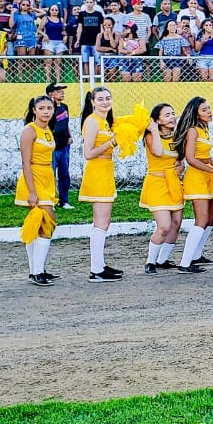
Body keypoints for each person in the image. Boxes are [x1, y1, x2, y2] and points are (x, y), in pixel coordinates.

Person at [79, 87, 123, 282]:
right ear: (93, 102)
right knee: (101, 223)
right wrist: (111, 144)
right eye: (100, 99)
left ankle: (100, 265)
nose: (105, 102)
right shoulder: (92, 122)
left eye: (108, 98)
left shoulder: (105, 121)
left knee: (104, 223)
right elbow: (88, 153)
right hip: (97, 172)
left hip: (106, 171)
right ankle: (96, 270)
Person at [15, 96, 59, 286]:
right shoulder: (29, 131)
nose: (46, 111)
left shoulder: (48, 129)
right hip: (33, 178)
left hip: (47, 177)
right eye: (41, 108)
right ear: (34, 110)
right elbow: (25, 163)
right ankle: (37, 271)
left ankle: (36, 270)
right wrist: (32, 191)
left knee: (38, 226)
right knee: (48, 223)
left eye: (49, 108)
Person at [176, 97, 213, 273]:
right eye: (204, 109)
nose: (209, 111)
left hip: (206, 177)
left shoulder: (205, 129)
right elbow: (191, 159)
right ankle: (185, 263)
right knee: (201, 220)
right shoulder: (193, 131)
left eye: (209, 108)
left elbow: (206, 156)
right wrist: (212, 171)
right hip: (196, 178)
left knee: (212, 218)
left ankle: (196, 255)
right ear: (196, 113)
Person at [139, 103, 184, 274]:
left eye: (173, 113)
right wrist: (155, 130)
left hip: (173, 183)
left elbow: (181, 163)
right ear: (157, 119)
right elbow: (157, 152)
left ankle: (163, 259)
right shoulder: (151, 136)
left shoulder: (177, 137)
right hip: (157, 184)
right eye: (167, 115)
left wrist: (178, 170)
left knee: (176, 224)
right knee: (164, 226)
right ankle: (150, 262)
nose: (172, 117)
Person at [46, 83, 74, 209]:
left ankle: (64, 201)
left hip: (64, 146)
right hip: (52, 147)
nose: (62, 93)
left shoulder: (64, 107)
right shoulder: (48, 109)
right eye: (58, 91)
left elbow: (66, 123)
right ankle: (50, 200)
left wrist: (70, 136)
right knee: (50, 174)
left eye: (62, 90)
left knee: (64, 174)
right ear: (50, 94)